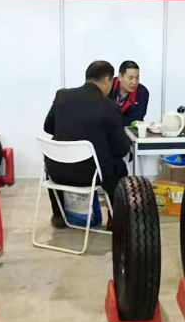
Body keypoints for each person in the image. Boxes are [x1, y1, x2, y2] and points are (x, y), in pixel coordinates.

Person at [44, 60, 130, 229]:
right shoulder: (110, 107)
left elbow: (48, 127)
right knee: (119, 166)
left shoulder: (62, 96)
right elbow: (121, 149)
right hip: (90, 176)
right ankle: (115, 219)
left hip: (56, 172)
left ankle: (59, 216)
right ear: (107, 80)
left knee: (55, 155)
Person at [108, 60, 150, 125]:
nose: (134, 82)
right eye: (130, 78)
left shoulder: (142, 92)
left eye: (137, 78)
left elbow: (136, 119)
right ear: (120, 77)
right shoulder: (108, 86)